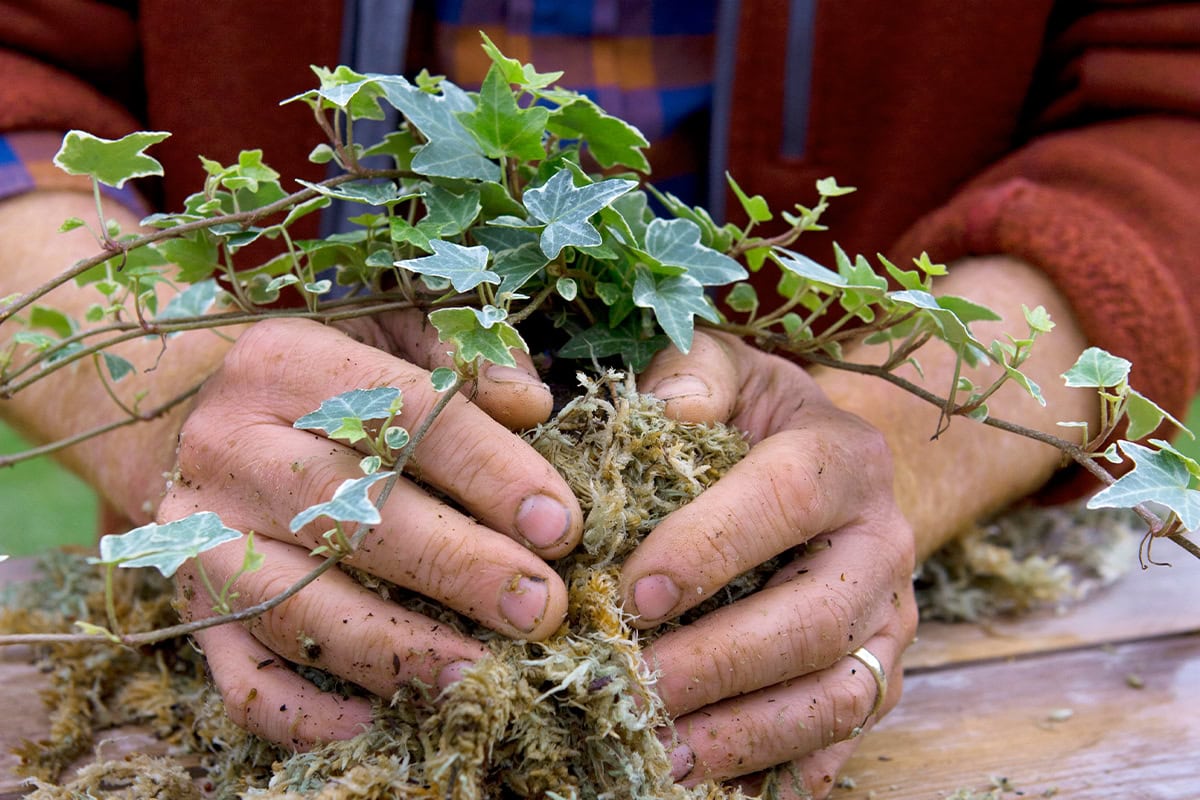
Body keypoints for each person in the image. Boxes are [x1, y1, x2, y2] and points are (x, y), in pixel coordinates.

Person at [1, 1, 1197, 796]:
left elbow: (1171, 103)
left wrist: (888, 441)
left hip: (942, 668)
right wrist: (176, 392)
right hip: (242, 665)